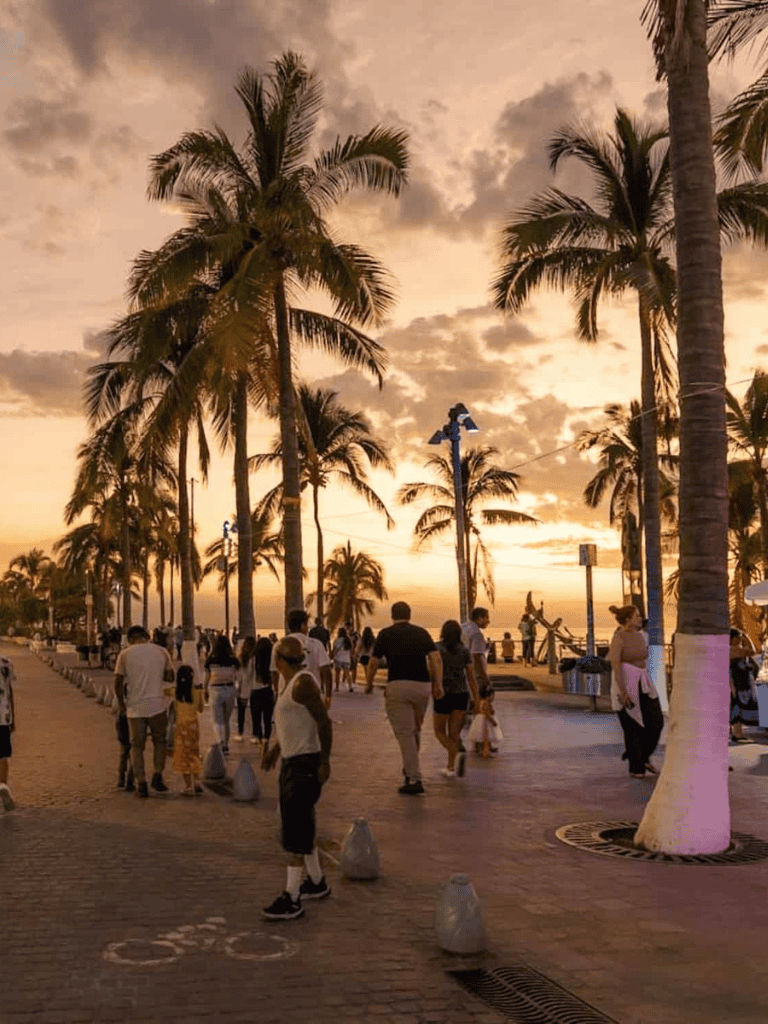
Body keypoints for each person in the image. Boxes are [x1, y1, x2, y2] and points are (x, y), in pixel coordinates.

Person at [261, 636, 333, 920]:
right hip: (293, 761)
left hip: (304, 764)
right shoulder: (289, 684)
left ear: (278, 659)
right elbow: (295, 723)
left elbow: (323, 722)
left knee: (294, 830)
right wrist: (276, 750)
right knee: (302, 823)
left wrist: (325, 761)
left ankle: (292, 898)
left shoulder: (303, 683)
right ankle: (316, 882)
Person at [366, 601, 443, 795]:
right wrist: (438, 684)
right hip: (422, 686)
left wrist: (369, 683)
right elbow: (435, 658)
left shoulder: (385, 634)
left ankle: (414, 778)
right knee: (414, 730)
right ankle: (411, 768)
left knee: (405, 733)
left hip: (398, 685)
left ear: (392, 615)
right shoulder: (422, 633)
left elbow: (373, 662)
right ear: (409, 614)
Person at [114, 624, 176, 798]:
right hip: (158, 705)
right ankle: (157, 774)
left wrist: (121, 704)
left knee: (137, 747)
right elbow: (170, 676)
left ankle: (141, 783)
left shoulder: (124, 654)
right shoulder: (162, 651)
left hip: (135, 708)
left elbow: (118, 682)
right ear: (146, 636)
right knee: (160, 742)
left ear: (131, 639)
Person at [608, 604, 664, 779]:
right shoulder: (619, 638)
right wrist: (623, 692)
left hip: (643, 681)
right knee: (632, 726)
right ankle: (636, 766)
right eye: (637, 616)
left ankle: (641, 755)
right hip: (626, 682)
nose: (640, 619)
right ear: (627, 620)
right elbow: (616, 666)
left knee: (656, 721)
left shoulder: (641, 636)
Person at [434, 620, 478, 779]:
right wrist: (477, 699)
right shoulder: (465, 651)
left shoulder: (437, 649)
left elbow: (432, 671)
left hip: (443, 694)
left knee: (439, 731)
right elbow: (471, 678)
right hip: (461, 694)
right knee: (454, 733)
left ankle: (455, 755)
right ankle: (450, 767)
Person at [270, 610, 332, 706]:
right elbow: (327, 671)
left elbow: (274, 672)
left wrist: (277, 692)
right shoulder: (316, 644)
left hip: (287, 698)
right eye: (307, 624)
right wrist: (328, 696)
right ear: (303, 625)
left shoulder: (278, 645)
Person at [164, 665, 204, 796]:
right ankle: (197, 781)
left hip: (181, 728)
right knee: (193, 754)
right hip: (193, 727)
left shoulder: (175, 692)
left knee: (182, 756)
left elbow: (164, 690)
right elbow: (200, 709)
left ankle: (188, 786)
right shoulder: (197, 694)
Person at [204, 634, 239, 754]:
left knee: (217, 720)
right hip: (229, 689)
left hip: (215, 689)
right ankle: (226, 744)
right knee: (226, 720)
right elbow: (237, 676)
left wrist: (204, 690)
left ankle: (220, 743)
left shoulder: (211, 659)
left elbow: (207, 677)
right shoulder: (233, 659)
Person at [729, 628, 759, 743]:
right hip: (735, 681)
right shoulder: (732, 650)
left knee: (738, 707)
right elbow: (752, 651)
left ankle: (737, 733)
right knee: (737, 706)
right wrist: (747, 637)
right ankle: (737, 734)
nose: (740, 640)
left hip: (741, 682)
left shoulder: (736, 649)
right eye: (738, 637)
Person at [251, 636, 275, 749]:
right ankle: (266, 739)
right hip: (268, 691)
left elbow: (248, 675)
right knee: (267, 719)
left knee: (256, 718)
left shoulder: (253, 659)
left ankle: (260, 740)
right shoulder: (272, 659)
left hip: (255, 691)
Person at [462, 607, 492, 698]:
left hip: (463, 672)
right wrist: (485, 677)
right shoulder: (477, 634)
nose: (488, 621)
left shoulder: (463, 627)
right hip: (475, 675)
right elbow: (476, 656)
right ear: (480, 618)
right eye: (487, 617)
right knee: (478, 700)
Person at [0, 653, 17, 811]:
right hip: (3, 718)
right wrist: (13, 718)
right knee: (3, 755)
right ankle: (3, 784)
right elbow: (9, 692)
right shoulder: (5, 663)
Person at [467, 686, 503, 757]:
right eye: (492, 696)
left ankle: (483, 749)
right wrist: (492, 721)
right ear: (488, 696)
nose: (493, 698)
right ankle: (485, 752)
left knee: (484, 738)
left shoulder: (481, 702)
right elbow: (486, 713)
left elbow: (479, 711)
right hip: (485, 722)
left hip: (480, 720)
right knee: (486, 738)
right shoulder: (486, 703)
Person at [234, 636, 257, 742]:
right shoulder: (256, 657)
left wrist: (238, 686)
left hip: (243, 687)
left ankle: (240, 733)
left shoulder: (241, 657)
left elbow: (239, 675)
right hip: (254, 687)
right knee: (254, 712)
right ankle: (255, 735)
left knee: (241, 712)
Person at [356, 627, 377, 693]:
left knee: (366, 672)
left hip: (363, 657)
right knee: (371, 672)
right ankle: (370, 685)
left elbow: (359, 647)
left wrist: (356, 654)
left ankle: (369, 685)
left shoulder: (362, 639)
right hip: (371, 657)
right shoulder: (373, 639)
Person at [332, 627, 353, 691]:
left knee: (337, 673)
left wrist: (332, 655)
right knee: (347, 673)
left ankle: (337, 687)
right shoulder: (348, 640)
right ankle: (350, 687)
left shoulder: (337, 640)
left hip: (338, 658)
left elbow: (335, 649)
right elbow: (351, 649)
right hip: (347, 658)